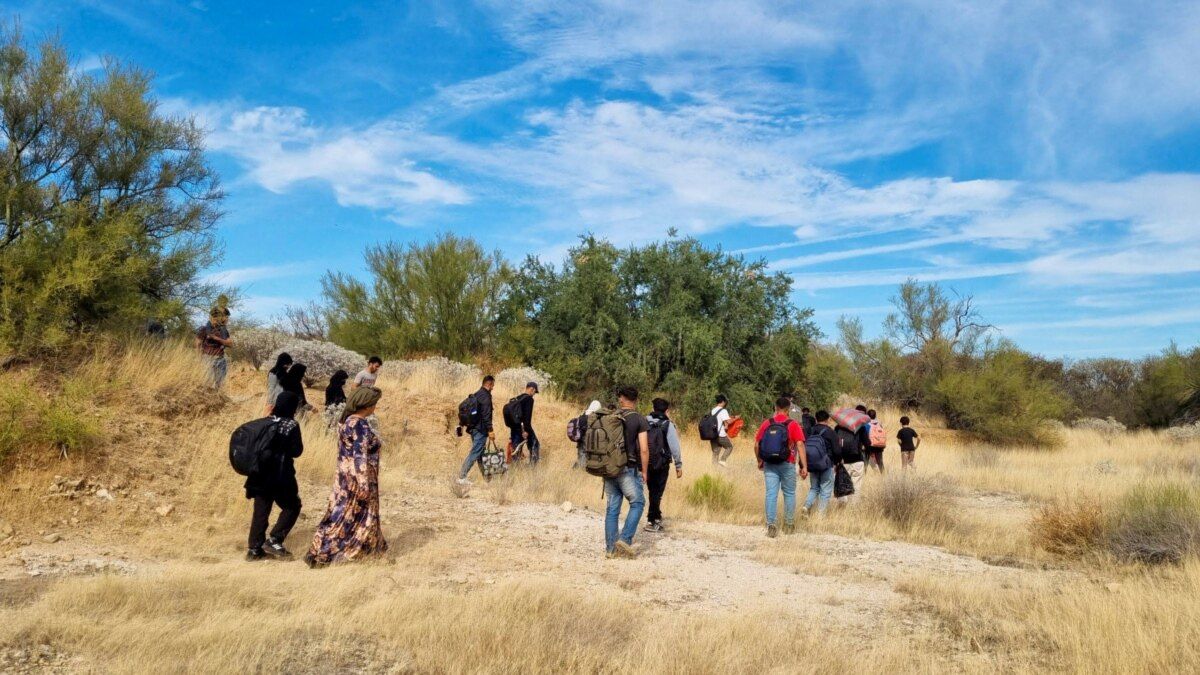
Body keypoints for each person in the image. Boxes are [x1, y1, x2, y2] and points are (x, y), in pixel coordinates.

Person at [306, 386, 387, 567]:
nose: (375, 407)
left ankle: (367, 549)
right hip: (359, 478)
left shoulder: (346, 421)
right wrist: (364, 485)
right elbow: (360, 456)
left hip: (344, 477)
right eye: (374, 403)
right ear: (367, 405)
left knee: (341, 513)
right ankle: (332, 552)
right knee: (353, 516)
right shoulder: (360, 425)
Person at [245, 391, 304, 561]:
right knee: (292, 505)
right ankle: (275, 539)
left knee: (261, 510)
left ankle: (254, 550)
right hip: (281, 474)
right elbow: (297, 451)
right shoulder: (291, 425)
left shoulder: (265, 421)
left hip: (259, 474)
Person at [606, 386, 649, 559]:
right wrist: (644, 471)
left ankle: (610, 549)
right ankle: (624, 540)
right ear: (636, 400)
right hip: (628, 468)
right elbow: (644, 449)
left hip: (609, 468)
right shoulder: (639, 419)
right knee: (638, 502)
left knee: (612, 509)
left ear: (621, 399)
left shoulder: (610, 416)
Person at [754, 397, 807, 537]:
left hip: (770, 464)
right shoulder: (793, 424)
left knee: (771, 494)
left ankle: (771, 525)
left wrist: (759, 460)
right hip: (787, 463)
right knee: (789, 493)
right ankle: (789, 525)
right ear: (788, 409)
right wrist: (804, 466)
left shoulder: (767, 423)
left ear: (775, 408)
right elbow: (800, 445)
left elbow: (756, 444)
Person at [644, 398, 683, 533]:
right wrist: (678, 465)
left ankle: (656, 516)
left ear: (653, 408)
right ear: (667, 410)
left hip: (645, 462)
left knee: (652, 490)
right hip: (662, 464)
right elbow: (675, 447)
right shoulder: (668, 424)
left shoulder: (645, 420)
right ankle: (651, 520)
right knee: (657, 492)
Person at [456, 375, 496, 486]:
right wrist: (490, 430)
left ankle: (488, 479)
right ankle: (462, 477)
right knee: (475, 453)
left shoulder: (476, 394)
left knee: (480, 454)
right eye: (492, 385)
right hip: (481, 430)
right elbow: (486, 415)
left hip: (473, 429)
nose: (493, 388)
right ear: (489, 384)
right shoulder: (486, 397)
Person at [802, 410, 838, 516]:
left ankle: (806, 506)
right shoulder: (830, 432)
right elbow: (837, 451)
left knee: (814, 488)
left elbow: (803, 448)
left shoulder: (810, 431)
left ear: (816, 419)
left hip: (812, 464)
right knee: (825, 490)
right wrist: (837, 462)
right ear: (827, 419)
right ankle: (820, 515)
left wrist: (802, 465)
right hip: (827, 464)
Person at [196, 307, 232, 389]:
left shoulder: (223, 330)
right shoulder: (203, 329)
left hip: (221, 359)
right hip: (208, 359)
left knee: (220, 385)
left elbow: (230, 344)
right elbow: (198, 344)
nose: (226, 319)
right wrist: (199, 358)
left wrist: (216, 338)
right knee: (208, 384)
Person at [835, 414, 867, 505]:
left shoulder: (838, 427)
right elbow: (867, 443)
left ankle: (843, 504)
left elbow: (835, 444)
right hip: (857, 459)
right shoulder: (860, 427)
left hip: (843, 461)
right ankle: (854, 506)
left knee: (843, 482)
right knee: (856, 483)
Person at [508, 382, 541, 465]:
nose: (534, 394)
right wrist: (526, 430)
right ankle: (532, 469)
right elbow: (527, 417)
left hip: (514, 428)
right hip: (524, 428)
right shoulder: (529, 399)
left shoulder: (517, 398)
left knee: (516, 449)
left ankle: (515, 469)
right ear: (532, 389)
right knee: (535, 445)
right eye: (534, 392)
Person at [709, 394, 739, 466]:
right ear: (722, 402)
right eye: (725, 401)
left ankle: (715, 470)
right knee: (729, 447)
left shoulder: (713, 410)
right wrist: (736, 418)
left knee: (716, 452)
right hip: (720, 435)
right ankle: (723, 460)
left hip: (712, 435)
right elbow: (729, 421)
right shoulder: (723, 410)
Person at [575, 400, 602, 469]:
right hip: (591, 440)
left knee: (581, 455)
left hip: (580, 440)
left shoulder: (583, 415)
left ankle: (580, 469)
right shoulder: (596, 416)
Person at [865, 408, 886, 474]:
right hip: (879, 445)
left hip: (870, 445)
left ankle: (863, 476)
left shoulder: (866, 425)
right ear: (875, 415)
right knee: (880, 462)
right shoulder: (879, 424)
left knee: (865, 461)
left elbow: (865, 436)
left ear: (867, 416)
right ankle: (883, 475)